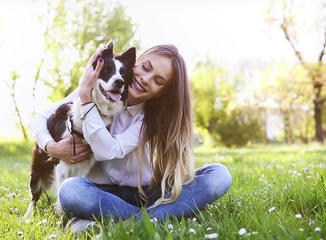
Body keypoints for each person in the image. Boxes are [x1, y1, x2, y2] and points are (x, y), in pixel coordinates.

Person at [29, 43, 232, 234]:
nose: (145, 78)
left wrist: (86, 102)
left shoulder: (149, 117)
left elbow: (108, 150)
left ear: (162, 92)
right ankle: (164, 217)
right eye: (145, 67)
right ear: (136, 63)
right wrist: (51, 147)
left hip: (148, 193)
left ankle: (119, 224)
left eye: (158, 81)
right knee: (71, 191)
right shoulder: (98, 88)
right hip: (101, 193)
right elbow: (39, 118)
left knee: (220, 175)